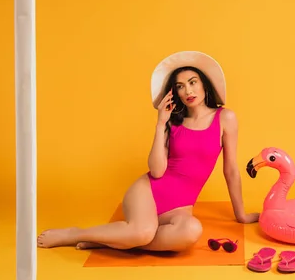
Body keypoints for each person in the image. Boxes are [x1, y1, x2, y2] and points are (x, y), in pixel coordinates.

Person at [37, 51, 259, 252]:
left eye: (193, 82)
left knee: (191, 232)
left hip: (180, 207)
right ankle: (75, 233)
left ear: (204, 84)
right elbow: (157, 171)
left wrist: (241, 215)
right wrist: (160, 123)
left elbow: (230, 169)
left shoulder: (225, 118)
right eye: (180, 86)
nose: (188, 90)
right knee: (142, 232)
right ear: (175, 92)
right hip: (148, 192)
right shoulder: (172, 122)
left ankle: (114, 240)